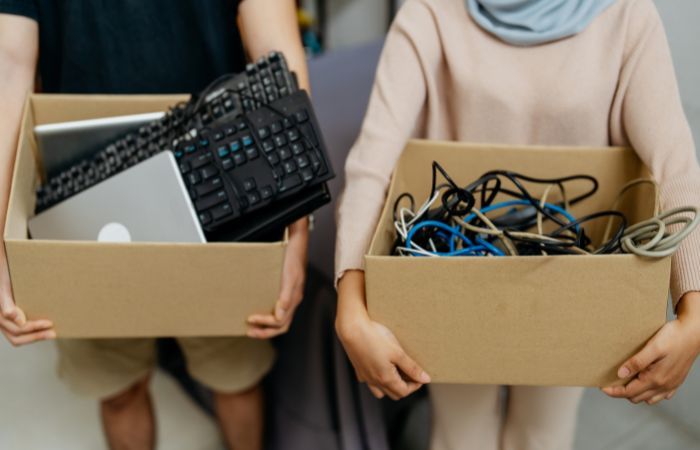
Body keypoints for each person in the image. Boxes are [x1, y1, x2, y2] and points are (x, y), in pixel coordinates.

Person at [334, 0, 700, 449]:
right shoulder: (429, 12)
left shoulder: (627, 16)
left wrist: (694, 307)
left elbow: (675, 166)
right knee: (459, 435)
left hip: (574, 283)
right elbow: (372, 164)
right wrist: (350, 304)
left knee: (542, 435)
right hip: (450, 282)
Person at [0, 1, 310, 449]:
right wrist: (3, 242)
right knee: (118, 389)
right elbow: (9, 71)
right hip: (81, 192)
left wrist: (297, 230)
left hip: (221, 177)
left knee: (235, 378)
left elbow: (277, 51)